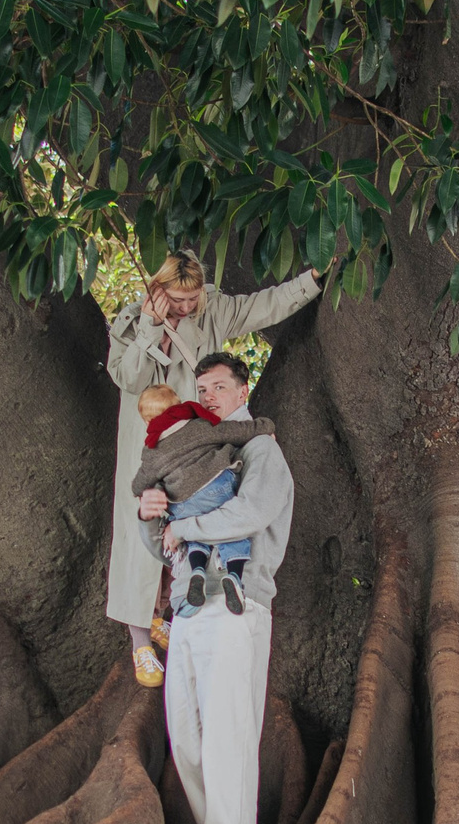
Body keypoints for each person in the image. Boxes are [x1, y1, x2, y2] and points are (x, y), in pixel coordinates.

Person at [105, 251, 319, 687]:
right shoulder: (130, 322)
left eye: (191, 299)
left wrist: (312, 279)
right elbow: (127, 378)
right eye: (176, 300)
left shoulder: (213, 310)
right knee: (140, 531)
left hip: (202, 448)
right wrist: (151, 328)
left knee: (192, 523)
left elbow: (266, 305)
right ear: (158, 290)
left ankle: (166, 612)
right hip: (150, 447)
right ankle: (139, 640)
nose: (185, 308)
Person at [139, 351, 293, 824]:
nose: (208, 397)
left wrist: (186, 523)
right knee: (188, 739)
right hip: (186, 607)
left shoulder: (258, 449)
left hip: (237, 604)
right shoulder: (193, 449)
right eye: (201, 389)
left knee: (229, 736)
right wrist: (151, 514)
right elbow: (162, 544)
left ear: (241, 390)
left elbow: (252, 513)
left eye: (219, 387)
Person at [127, 382, 274, 617]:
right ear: (178, 406)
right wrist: (265, 426)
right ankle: (234, 575)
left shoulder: (151, 452)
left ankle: (198, 570)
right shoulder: (199, 426)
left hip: (184, 502)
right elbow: (234, 431)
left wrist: (142, 492)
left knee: (193, 534)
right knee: (232, 534)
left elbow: (139, 484)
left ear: (146, 422)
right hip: (218, 487)